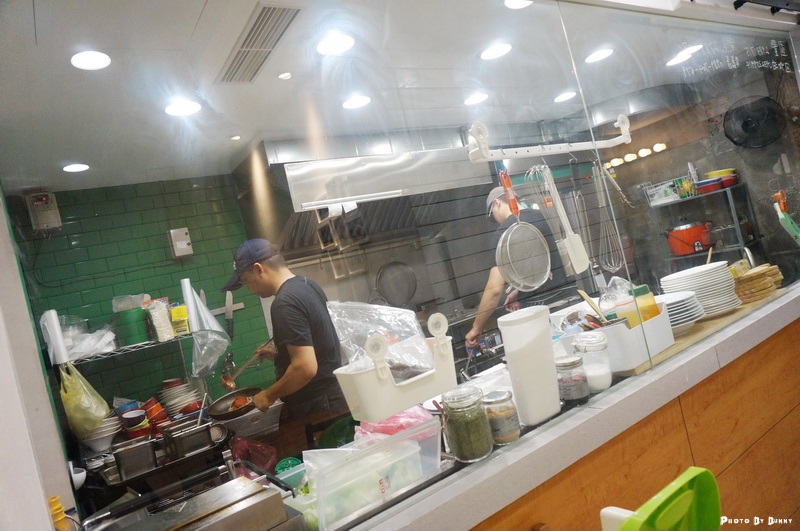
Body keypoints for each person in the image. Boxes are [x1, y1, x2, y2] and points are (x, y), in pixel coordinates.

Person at [221, 238, 348, 420]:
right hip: (334, 397)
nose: (249, 289)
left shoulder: (284, 303)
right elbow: (319, 345)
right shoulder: (307, 284)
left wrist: (268, 395)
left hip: (318, 406)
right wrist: (279, 354)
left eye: (247, 282)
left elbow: (305, 368)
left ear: (258, 269)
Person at [465, 187, 566, 348]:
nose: (496, 221)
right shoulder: (539, 216)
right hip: (567, 300)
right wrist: (520, 291)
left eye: (493, 215)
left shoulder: (503, 234)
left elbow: (494, 290)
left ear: (497, 203)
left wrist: (476, 328)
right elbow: (539, 264)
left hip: (542, 314)